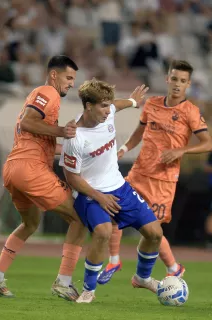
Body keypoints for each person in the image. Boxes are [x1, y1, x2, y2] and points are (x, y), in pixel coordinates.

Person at [97, 60, 212, 284]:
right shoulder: (151, 104)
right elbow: (139, 133)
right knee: (112, 212)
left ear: (188, 84)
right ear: (167, 79)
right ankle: (114, 260)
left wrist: (181, 151)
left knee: (152, 231)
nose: (177, 84)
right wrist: (123, 149)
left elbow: (208, 143)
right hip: (139, 173)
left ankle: (173, 268)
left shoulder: (190, 111)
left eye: (182, 81)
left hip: (164, 180)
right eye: (174, 79)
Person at [0, 55, 86, 299]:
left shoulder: (44, 98)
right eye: (69, 77)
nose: (72, 83)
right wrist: (62, 131)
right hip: (30, 169)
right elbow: (30, 122)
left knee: (30, 223)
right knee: (80, 217)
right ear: (54, 75)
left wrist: (66, 144)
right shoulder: (47, 92)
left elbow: (37, 134)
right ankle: (63, 281)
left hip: (14, 168)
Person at [60, 79, 162, 303]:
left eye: (108, 105)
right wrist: (99, 197)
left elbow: (118, 104)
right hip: (90, 195)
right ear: (88, 106)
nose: (108, 111)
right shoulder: (74, 137)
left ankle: (143, 278)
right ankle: (89, 289)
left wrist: (134, 101)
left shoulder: (108, 112)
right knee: (104, 232)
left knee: (155, 234)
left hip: (120, 188)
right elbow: (71, 177)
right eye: (103, 106)